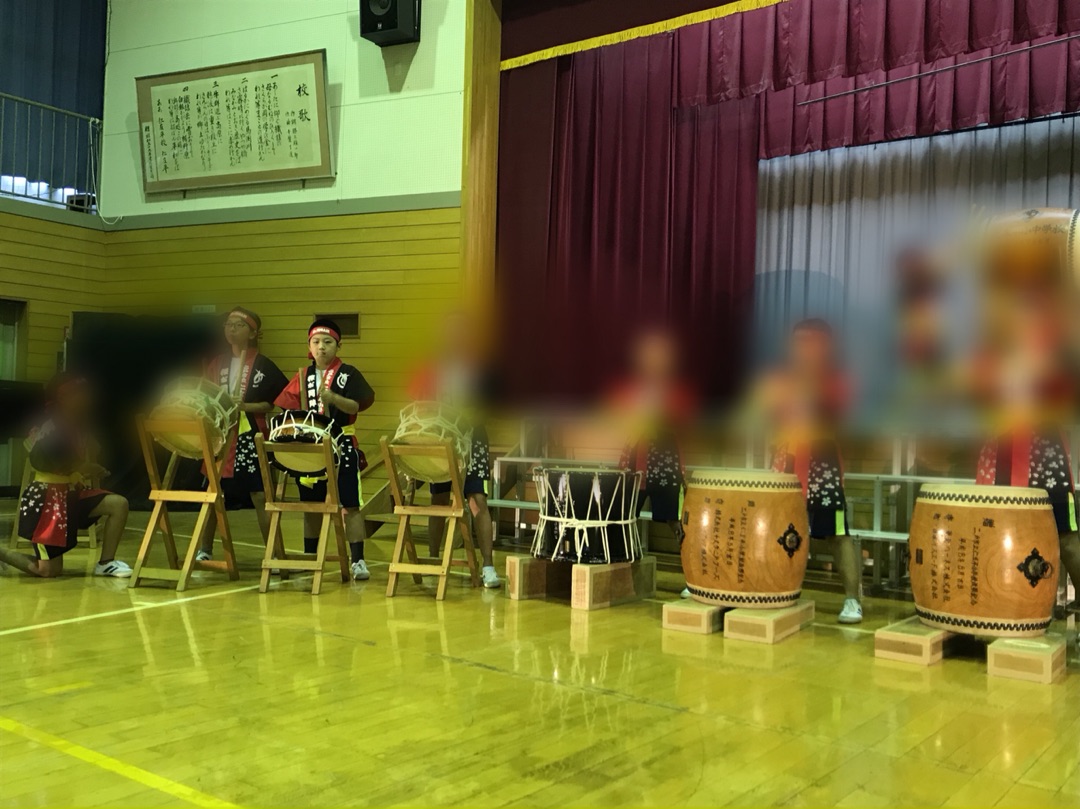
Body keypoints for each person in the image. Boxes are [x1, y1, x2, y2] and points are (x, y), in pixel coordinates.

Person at [763, 319, 862, 623]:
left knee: (837, 534)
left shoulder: (837, 381)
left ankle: (852, 600)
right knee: (779, 532)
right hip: (785, 465)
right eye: (798, 341)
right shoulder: (782, 380)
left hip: (822, 467)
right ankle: (777, 590)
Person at [0, 374, 132, 578]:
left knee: (118, 504)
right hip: (47, 500)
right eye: (80, 394)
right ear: (64, 398)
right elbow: (44, 461)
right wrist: (85, 467)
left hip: (70, 493)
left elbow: (89, 451)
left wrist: (88, 459)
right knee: (48, 571)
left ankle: (106, 563)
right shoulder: (50, 426)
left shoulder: (77, 424)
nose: (86, 398)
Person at [274, 319, 375, 580]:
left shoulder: (348, 373)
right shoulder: (302, 376)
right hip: (311, 448)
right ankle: (310, 557)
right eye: (316, 342)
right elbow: (286, 408)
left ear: (338, 346)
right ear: (309, 346)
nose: (322, 347)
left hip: (343, 443)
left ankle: (358, 560)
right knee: (311, 505)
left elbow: (356, 406)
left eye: (328, 342)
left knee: (350, 504)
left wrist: (334, 398)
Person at [408, 312, 502, 589]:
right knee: (437, 500)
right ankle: (433, 559)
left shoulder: (482, 368)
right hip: (440, 439)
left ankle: (488, 565)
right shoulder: (432, 368)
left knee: (477, 500)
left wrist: (466, 416)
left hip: (473, 440)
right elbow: (419, 405)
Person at [195, 307, 288, 561]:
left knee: (260, 494)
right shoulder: (217, 364)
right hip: (222, 435)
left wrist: (245, 406)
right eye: (228, 324)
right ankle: (204, 550)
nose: (232, 329)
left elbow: (273, 403)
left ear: (253, 333)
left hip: (250, 434)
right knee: (214, 493)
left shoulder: (263, 366)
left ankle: (274, 553)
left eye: (239, 325)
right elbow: (205, 398)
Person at [609, 329, 695, 595]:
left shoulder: (677, 389)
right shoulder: (632, 387)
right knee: (623, 518)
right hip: (635, 462)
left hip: (665, 464)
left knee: (675, 522)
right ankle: (620, 574)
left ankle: (693, 579)